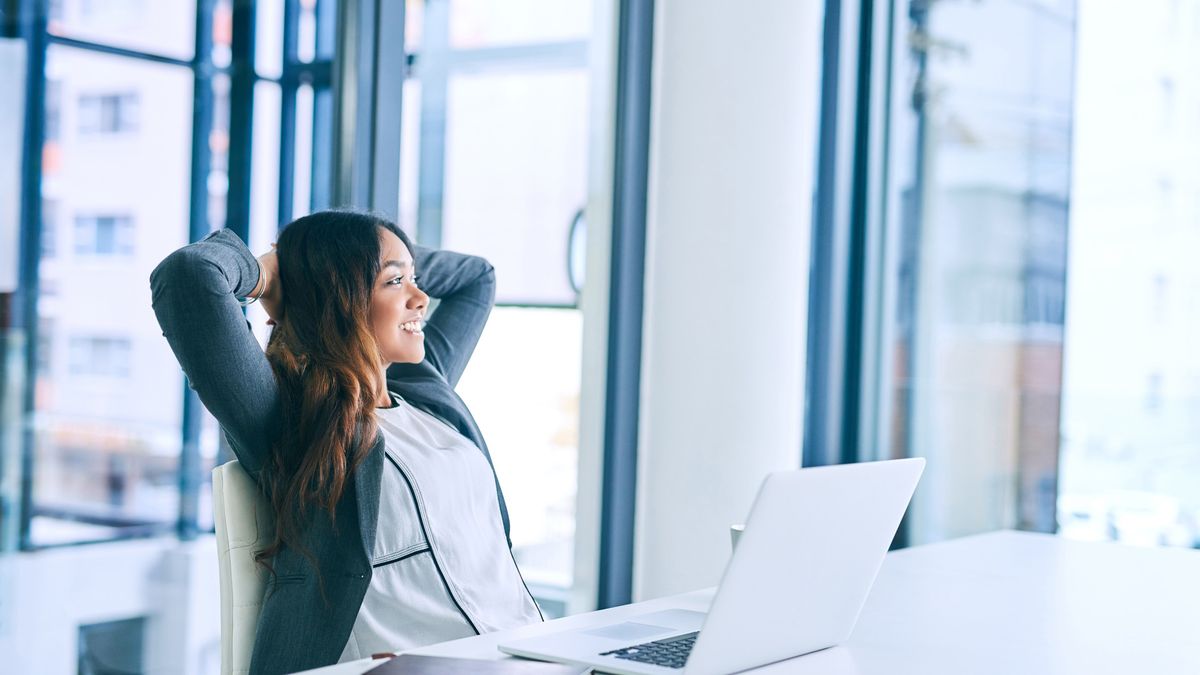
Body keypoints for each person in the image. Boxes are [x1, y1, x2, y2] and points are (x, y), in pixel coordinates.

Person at [150, 210, 542, 675]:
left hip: (529, 652)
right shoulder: (286, 419)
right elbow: (188, 277)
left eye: (413, 280)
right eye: (396, 284)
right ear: (341, 297)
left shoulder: (425, 392)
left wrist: (385, 258)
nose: (421, 298)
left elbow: (476, 277)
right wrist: (274, 273)